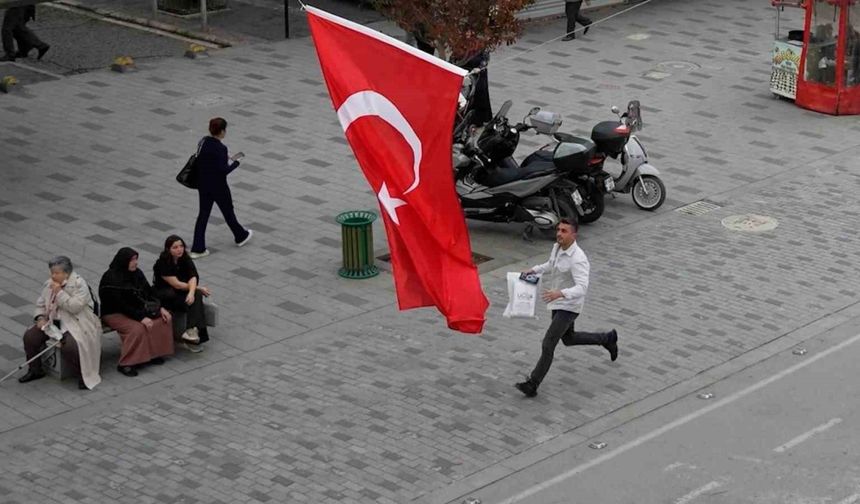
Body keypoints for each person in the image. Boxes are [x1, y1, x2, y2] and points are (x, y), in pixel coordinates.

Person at [515, 218, 618, 398]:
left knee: (548, 344)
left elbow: (582, 287)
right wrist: (534, 270)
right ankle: (607, 339)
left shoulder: (578, 259)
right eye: (558, 230)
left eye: (564, 231)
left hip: (569, 306)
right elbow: (550, 264)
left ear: (573, 235)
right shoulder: (557, 248)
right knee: (568, 339)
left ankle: (533, 383)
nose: (559, 234)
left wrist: (560, 293)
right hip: (557, 301)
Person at [19, 256, 101, 390]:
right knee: (30, 337)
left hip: (76, 322)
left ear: (66, 273)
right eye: (52, 272)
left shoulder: (80, 284)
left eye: (56, 273)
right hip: (53, 321)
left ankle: (83, 375)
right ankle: (35, 369)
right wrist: (40, 318)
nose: (53, 275)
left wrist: (59, 292)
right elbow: (40, 304)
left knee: (71, 346)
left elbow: (74, 307)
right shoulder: (49, 284)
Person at [99, 247, 174, 377]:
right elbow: (120, 305)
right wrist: (141, 318)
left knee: (162, 320)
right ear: (124, 261)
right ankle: (127, 363)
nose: (136, 263)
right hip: (114, 312)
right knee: (136, 329)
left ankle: (153, 354)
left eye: (136, 259)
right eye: (132, 260)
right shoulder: (111, 278)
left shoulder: (137, 273)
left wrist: (160, 308)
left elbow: (149, 292)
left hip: (138, 308)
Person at [190, 117, 253, 259]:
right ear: (222, 131)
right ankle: (240, 236)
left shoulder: (203, 141)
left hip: (203, 185)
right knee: (228, 212)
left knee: (203, 215)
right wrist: (236, 163)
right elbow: (223, 170)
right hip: (218, 186)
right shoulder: (221, 148)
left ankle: (197, 248)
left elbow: (205, 160)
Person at [153, 235, 211, 353]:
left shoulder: (185, 258)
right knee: (196, 298)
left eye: (181, 246)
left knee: (196, 297)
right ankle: (193, 335)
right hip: (166, 295)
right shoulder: (162, 263)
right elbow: (176, 284)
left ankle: (191, 331)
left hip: (181, 291)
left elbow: (193, 276)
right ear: (168, 249)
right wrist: (197, 289)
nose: (179, 249)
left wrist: (192, 292)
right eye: (175, 247)